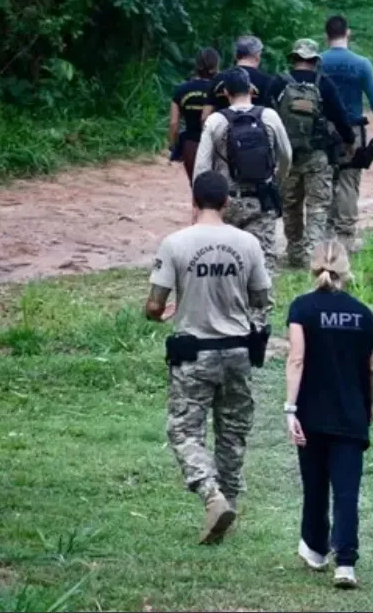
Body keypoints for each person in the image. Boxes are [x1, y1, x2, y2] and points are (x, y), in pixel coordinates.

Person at [143, 171, 273, 544]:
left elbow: (155, 303)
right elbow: (261, 298)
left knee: (184, 430)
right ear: (228, 203)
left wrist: (161, 312)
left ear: (194, 202)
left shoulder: (175, 243)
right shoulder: (247, 243)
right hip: (237, 350)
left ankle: (212, 496)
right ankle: (228, 504)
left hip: (194, 352)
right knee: (232, 434)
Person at [284, 239, 373, 589]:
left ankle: (314, 548)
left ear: (314, 269)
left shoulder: (302, 309)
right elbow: (371, 368)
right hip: (351, 416)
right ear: (346, 270)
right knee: (346, 491)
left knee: (314, 486)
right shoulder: (366, 316)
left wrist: (290, 408)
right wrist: (369, 406)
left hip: (311, 414)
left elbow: (297, 358)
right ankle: (347, 563)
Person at [193, 66, 292, 285]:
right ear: (251, 89)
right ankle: (259, 316)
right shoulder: (269, 116)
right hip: (261, 198)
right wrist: (276, 180)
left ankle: (227, 311)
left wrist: (200, 205)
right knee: (263, 261)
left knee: (225, 261)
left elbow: (201, 168)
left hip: (226, 201)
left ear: (226, 93)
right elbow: (286, 156)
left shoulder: (216, 121)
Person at [267, 38, 357, 269]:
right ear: (315, 61)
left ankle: (295, 251)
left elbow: (265, 115)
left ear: (294, 58)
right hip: (317, 155)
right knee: (317, 207)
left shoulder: (278, 83)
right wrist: (349, 140)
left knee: (291, 204)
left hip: (286, 156)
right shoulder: (323, 83)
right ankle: (312, 255)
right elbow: (340, 116)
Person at [319, 15, 373, 253]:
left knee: (327, 177)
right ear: (347, 33)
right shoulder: (361, 64)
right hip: (352, 129)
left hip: (324, 130)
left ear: (326, 35)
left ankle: (325, 232)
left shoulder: (318, 62)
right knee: (349, 180)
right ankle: (345, 236)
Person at [169, 48, 220, 184]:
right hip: (214, 145)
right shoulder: (218, 90)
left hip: (189, 144)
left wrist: (174, 146)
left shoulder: (181, 90)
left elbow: (174, 123)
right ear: (216, 66)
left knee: (196, 185)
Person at [202, 35, 275, 123]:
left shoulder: (218, 79)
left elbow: (205, 116)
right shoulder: (267, 80)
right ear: (257, 56)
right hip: (255, 133)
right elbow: (271, 118)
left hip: (222, 132)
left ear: (236, 55)